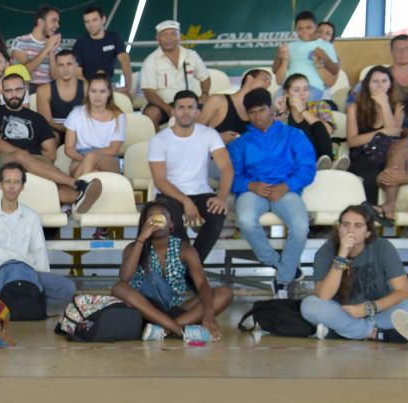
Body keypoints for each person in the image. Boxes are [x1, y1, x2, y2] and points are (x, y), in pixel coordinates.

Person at [228, 88, 316, 298]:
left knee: (301, 227)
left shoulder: (293, 135)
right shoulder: (241, 143)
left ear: (272, 109)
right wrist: (250, 186)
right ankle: (283, 267)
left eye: (261, 110)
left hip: (285, 189)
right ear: (247, 114)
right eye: (252, 113)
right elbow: (231, 175)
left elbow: (307, 168)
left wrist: (286, 186)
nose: (258, 117)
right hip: (252, 190)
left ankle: (283, 280)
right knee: (246, 220)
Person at [0, 162, 74, 310]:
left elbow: (39, 251)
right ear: (1, 185)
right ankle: (21, 305)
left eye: (16, 182)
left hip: (26, 274)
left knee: (68, 287)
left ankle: (8, 305)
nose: (11, 187)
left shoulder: (32, 216)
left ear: (22, 186)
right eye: (7, 182)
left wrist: (38, 286)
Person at [111, 202, 231, 340]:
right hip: (144, 309)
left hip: (175, 310)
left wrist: (209, 314)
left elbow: (202, 284)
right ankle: (178, 330)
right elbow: (125, 278)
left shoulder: (185, 249)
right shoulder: (134, 247)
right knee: (119, 287)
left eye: (162, 215)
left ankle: (163, 330)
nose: (156, 219)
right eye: (151, 217)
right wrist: (141, 238)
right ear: (144, 224)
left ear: (171, 225)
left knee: (224, 293)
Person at [0, 73, 100, 210]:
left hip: (36, 160)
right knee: (20, 156)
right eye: (9, 91)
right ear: (2, 92)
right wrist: (25, 156)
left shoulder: (37, 118)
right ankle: (77, 184)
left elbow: (51, 152)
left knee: (55, 187)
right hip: (3, 161)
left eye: (18, 90)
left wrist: (32, 163)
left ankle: (79, 197)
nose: (14, 94)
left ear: (25, 90)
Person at [302, 205, 408, 341]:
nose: (350, 230)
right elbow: (324, 295)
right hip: (342, 313)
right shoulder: (325, 252)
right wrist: (342, 255)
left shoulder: (383, 247)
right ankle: (372, 333)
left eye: (358, 226)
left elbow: (404, 292)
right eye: (345, 225)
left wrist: (369, 308)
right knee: (310, 305)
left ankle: (349, 331)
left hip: (379, 311)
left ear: (368, 232)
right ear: (339, 228)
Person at [148, 90, 233, 264]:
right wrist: (186, 201)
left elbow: (226, 168)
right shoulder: (159, 140)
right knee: (173, 224)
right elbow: (160, 181)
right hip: (170, 194)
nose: (185, 112)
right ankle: (191, 271)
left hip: (201, 191)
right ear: (173, 111)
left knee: (216, 217)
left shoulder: (209, 134)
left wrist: (221, 197)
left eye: (190, 107)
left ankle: (190, 269)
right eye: (181, 107)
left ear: (197, 112)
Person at [347, 66, 403, 209]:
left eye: (384, 81)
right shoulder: (354, 107)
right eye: (375, 81)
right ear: (367, 85)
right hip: (362, 155)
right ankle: (369, 215)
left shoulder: (397, 107)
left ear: (390, 84)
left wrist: (384, 104)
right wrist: (381, 132)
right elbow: (352, 141)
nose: (380, 85)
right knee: (370, 171)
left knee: (385, 166)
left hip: (387, 156)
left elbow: (394, 134)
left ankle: (375, 214)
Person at [140, 20, 211, 126]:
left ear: (179, 37)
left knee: (213, 107)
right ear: (157, 39)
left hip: (188, 100)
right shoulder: (151, 60)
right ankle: (159, 141)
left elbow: (205, 77)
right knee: (151, 113)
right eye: (164, 35)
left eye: (173, 34)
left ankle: (204, 139)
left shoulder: (191, 55)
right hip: (163, 103)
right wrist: (168, 108)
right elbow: (149, 92)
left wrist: (205, 94)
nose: (169, 38)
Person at [63, 74, 125, 179]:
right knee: (94, 171)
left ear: (109, 93)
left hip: (109, 159)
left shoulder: (118, 116)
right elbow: (68, 148)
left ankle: (77, 188)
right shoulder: (76, 113)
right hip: (80, 157)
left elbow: (114, 150)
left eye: (102, 91)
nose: (97, 96)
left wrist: (90, 156)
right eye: (93, 91)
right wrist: (85, 159)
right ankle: (84, 189)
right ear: (88, 93)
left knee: (91, 157)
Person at [273, 11, 339, 101]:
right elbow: (275, 70)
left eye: (309, 28)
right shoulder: (289, 46)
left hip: (312, 87)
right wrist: (278, 56)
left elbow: (335, 70)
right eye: (300, 28)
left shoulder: (325, 45)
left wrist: (324, 56)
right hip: (289, 87)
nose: (304, 31)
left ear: (316, 27)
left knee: (298, 107)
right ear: (295, 29)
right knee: (277, 106)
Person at [275, 74, 336, 166]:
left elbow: (328, 131)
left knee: (318, 126)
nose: (302, 94)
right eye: (296, 90)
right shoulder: (283, 113)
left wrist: (303, 111)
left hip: (320, 156)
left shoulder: (320, 105)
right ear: (286, 93)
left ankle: (325, 165)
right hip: (294, 159)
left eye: (306, 89)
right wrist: (279, 114)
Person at [200, 69, 272, 144]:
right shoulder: (217, 101)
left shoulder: (262, 112)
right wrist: (218, 137)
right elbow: (193, 133)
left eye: (269, 83)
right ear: (249, 78)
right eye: (264, 80)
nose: (267, 85)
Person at [73, 5, 132, 95]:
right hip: (88, 87)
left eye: (94, 20)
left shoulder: (114, 37)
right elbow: (78, 73)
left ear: (103, 19)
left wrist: (128, 86)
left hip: (109, 86)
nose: (91, 24)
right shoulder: (80, 43)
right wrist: (93, 91)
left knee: (127, 99)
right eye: (87, 21)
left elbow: (124, 60)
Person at [36, 50, 85, 144]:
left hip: (81, 132)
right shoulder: (44, 90)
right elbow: (47, 121)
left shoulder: (87, 88)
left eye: (69, 64)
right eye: (61, 65)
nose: (65, 69)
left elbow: (92, 118)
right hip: (55, 131)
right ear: (56, 67)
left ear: (76, 65)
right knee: (49, 139)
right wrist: (70, 130)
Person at [10, 5, 61, 92]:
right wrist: (46, 49)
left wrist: (51, 50)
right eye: (53, 21)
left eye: (58, 22)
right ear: (40, 22)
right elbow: (24, 72)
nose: (57, 25)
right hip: (27, 91)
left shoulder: (57, 45)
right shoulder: (20, 42)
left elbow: (56, 77)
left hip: (50, 91)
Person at [389, 35, 408, 107]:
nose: (403, 52)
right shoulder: (381, 76)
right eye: (398, 49)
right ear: (392, 52)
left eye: (407, 48)